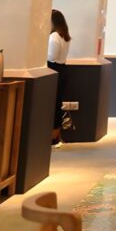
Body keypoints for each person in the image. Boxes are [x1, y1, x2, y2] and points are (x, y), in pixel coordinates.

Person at [48, 9, 71, 147]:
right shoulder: (64, 36)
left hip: (53, 68)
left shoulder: (54, 37)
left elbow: (51, 56)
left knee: (53, 104)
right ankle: (55, 136)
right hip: (62, 70)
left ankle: (52, 137)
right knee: (57, 104)